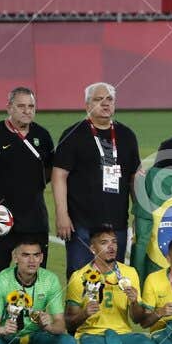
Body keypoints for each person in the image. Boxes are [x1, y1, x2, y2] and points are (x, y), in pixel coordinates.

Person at [0, 86, 55, 330]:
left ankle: (29, 332)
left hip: (35, 222)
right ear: (9, 107)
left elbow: (52, 173)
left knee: (36, 281)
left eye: (31, 107)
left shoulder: (43, 136)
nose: (27, 111)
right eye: (21, 106)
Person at [54, 82, 139, 275]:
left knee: (113, 281)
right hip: (81, 224)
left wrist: (139, 214)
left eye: (109, 99)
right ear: (87, 105)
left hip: (116, 224)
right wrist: (61, 213)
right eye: (98, 99)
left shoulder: (126, 135)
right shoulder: (73, 134)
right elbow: (59, 175)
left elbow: (134, 178)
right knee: (80, 281)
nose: (105, 103)